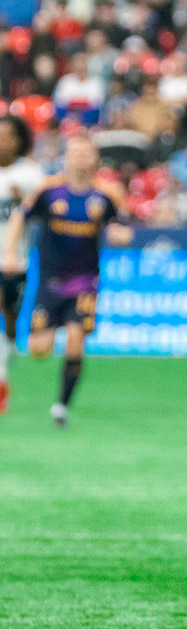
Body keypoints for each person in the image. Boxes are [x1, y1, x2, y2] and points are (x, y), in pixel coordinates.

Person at [2, 135, 131, 427]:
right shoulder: (48, 190)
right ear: (67, 157)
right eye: (76, 153)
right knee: (38, 349)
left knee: (76, 340)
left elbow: (122, 225)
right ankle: (52, 327)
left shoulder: (107, 193)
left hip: (85, 281)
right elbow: (20, 218)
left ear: (94, 158)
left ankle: (61, 407)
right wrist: (10, 251)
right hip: (50, 281)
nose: (81, 158)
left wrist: (121, 235)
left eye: (87, 153)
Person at [0, 114, 46, 414]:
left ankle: (3, 377)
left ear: (19, 140)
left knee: (9, 321)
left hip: (14, 261)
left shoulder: (31, 175)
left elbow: (46, 213)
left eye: (8, 136)